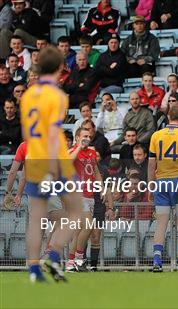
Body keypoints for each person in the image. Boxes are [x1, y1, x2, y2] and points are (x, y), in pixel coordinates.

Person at [20, 46, 84, 282]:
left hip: (35, 159)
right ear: (60, 67)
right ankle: (54, 252)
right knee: (77, 212)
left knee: (37, 217)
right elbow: (53, 133)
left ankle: (34, 270)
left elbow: (28, 132)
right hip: (54, 161)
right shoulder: (57, 96)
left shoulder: (27, 96)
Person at [148, 105, 178, 272]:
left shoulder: (156, 136)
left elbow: (151, 163)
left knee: (161, 223)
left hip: (161, 182)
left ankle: (157, 260)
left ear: (168, 116)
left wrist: (150, 185)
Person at [66, 127, 113, 272]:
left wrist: (102, 188)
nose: (87, 137)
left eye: (88, 135)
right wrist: (79, 147)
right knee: (88, 225)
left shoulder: (92, 152)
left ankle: (70, 262)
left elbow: (96, 172)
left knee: (80, 231)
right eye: (84, 135)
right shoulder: (71, 151)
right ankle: (79, 259)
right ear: (77, 137)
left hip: (89, 195)